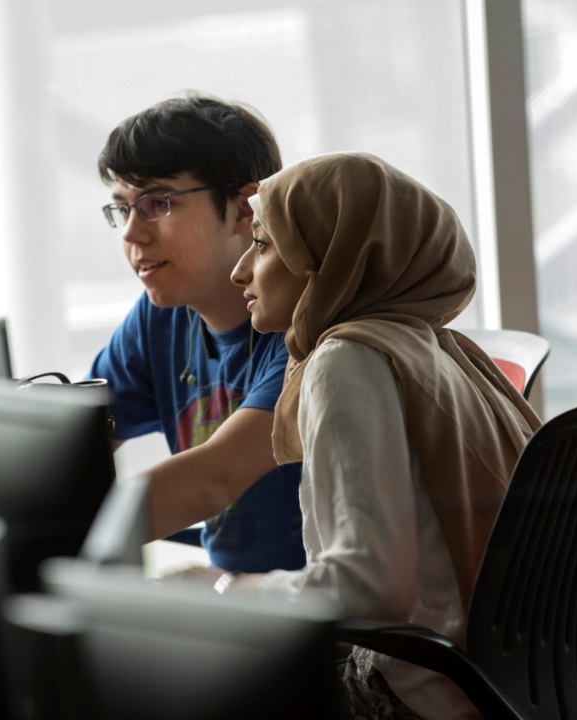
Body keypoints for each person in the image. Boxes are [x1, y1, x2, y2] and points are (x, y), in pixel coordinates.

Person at [225, 152, 543, 719]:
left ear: (332, 256)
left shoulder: (346, 360)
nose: (241, 270)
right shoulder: (439, 349)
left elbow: (364, 588)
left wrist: (239, 592)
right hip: (511, 682)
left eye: (263, 243)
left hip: (424, 689)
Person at [88, 93, 306, 574]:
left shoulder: (307, 326)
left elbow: (216, 475)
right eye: (122, 209)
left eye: (157, 203)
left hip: (333, 621)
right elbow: (79, 438)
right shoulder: (161, 317)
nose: (131, 234)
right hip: (242, 599)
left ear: (245, 209)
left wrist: (67, 528)